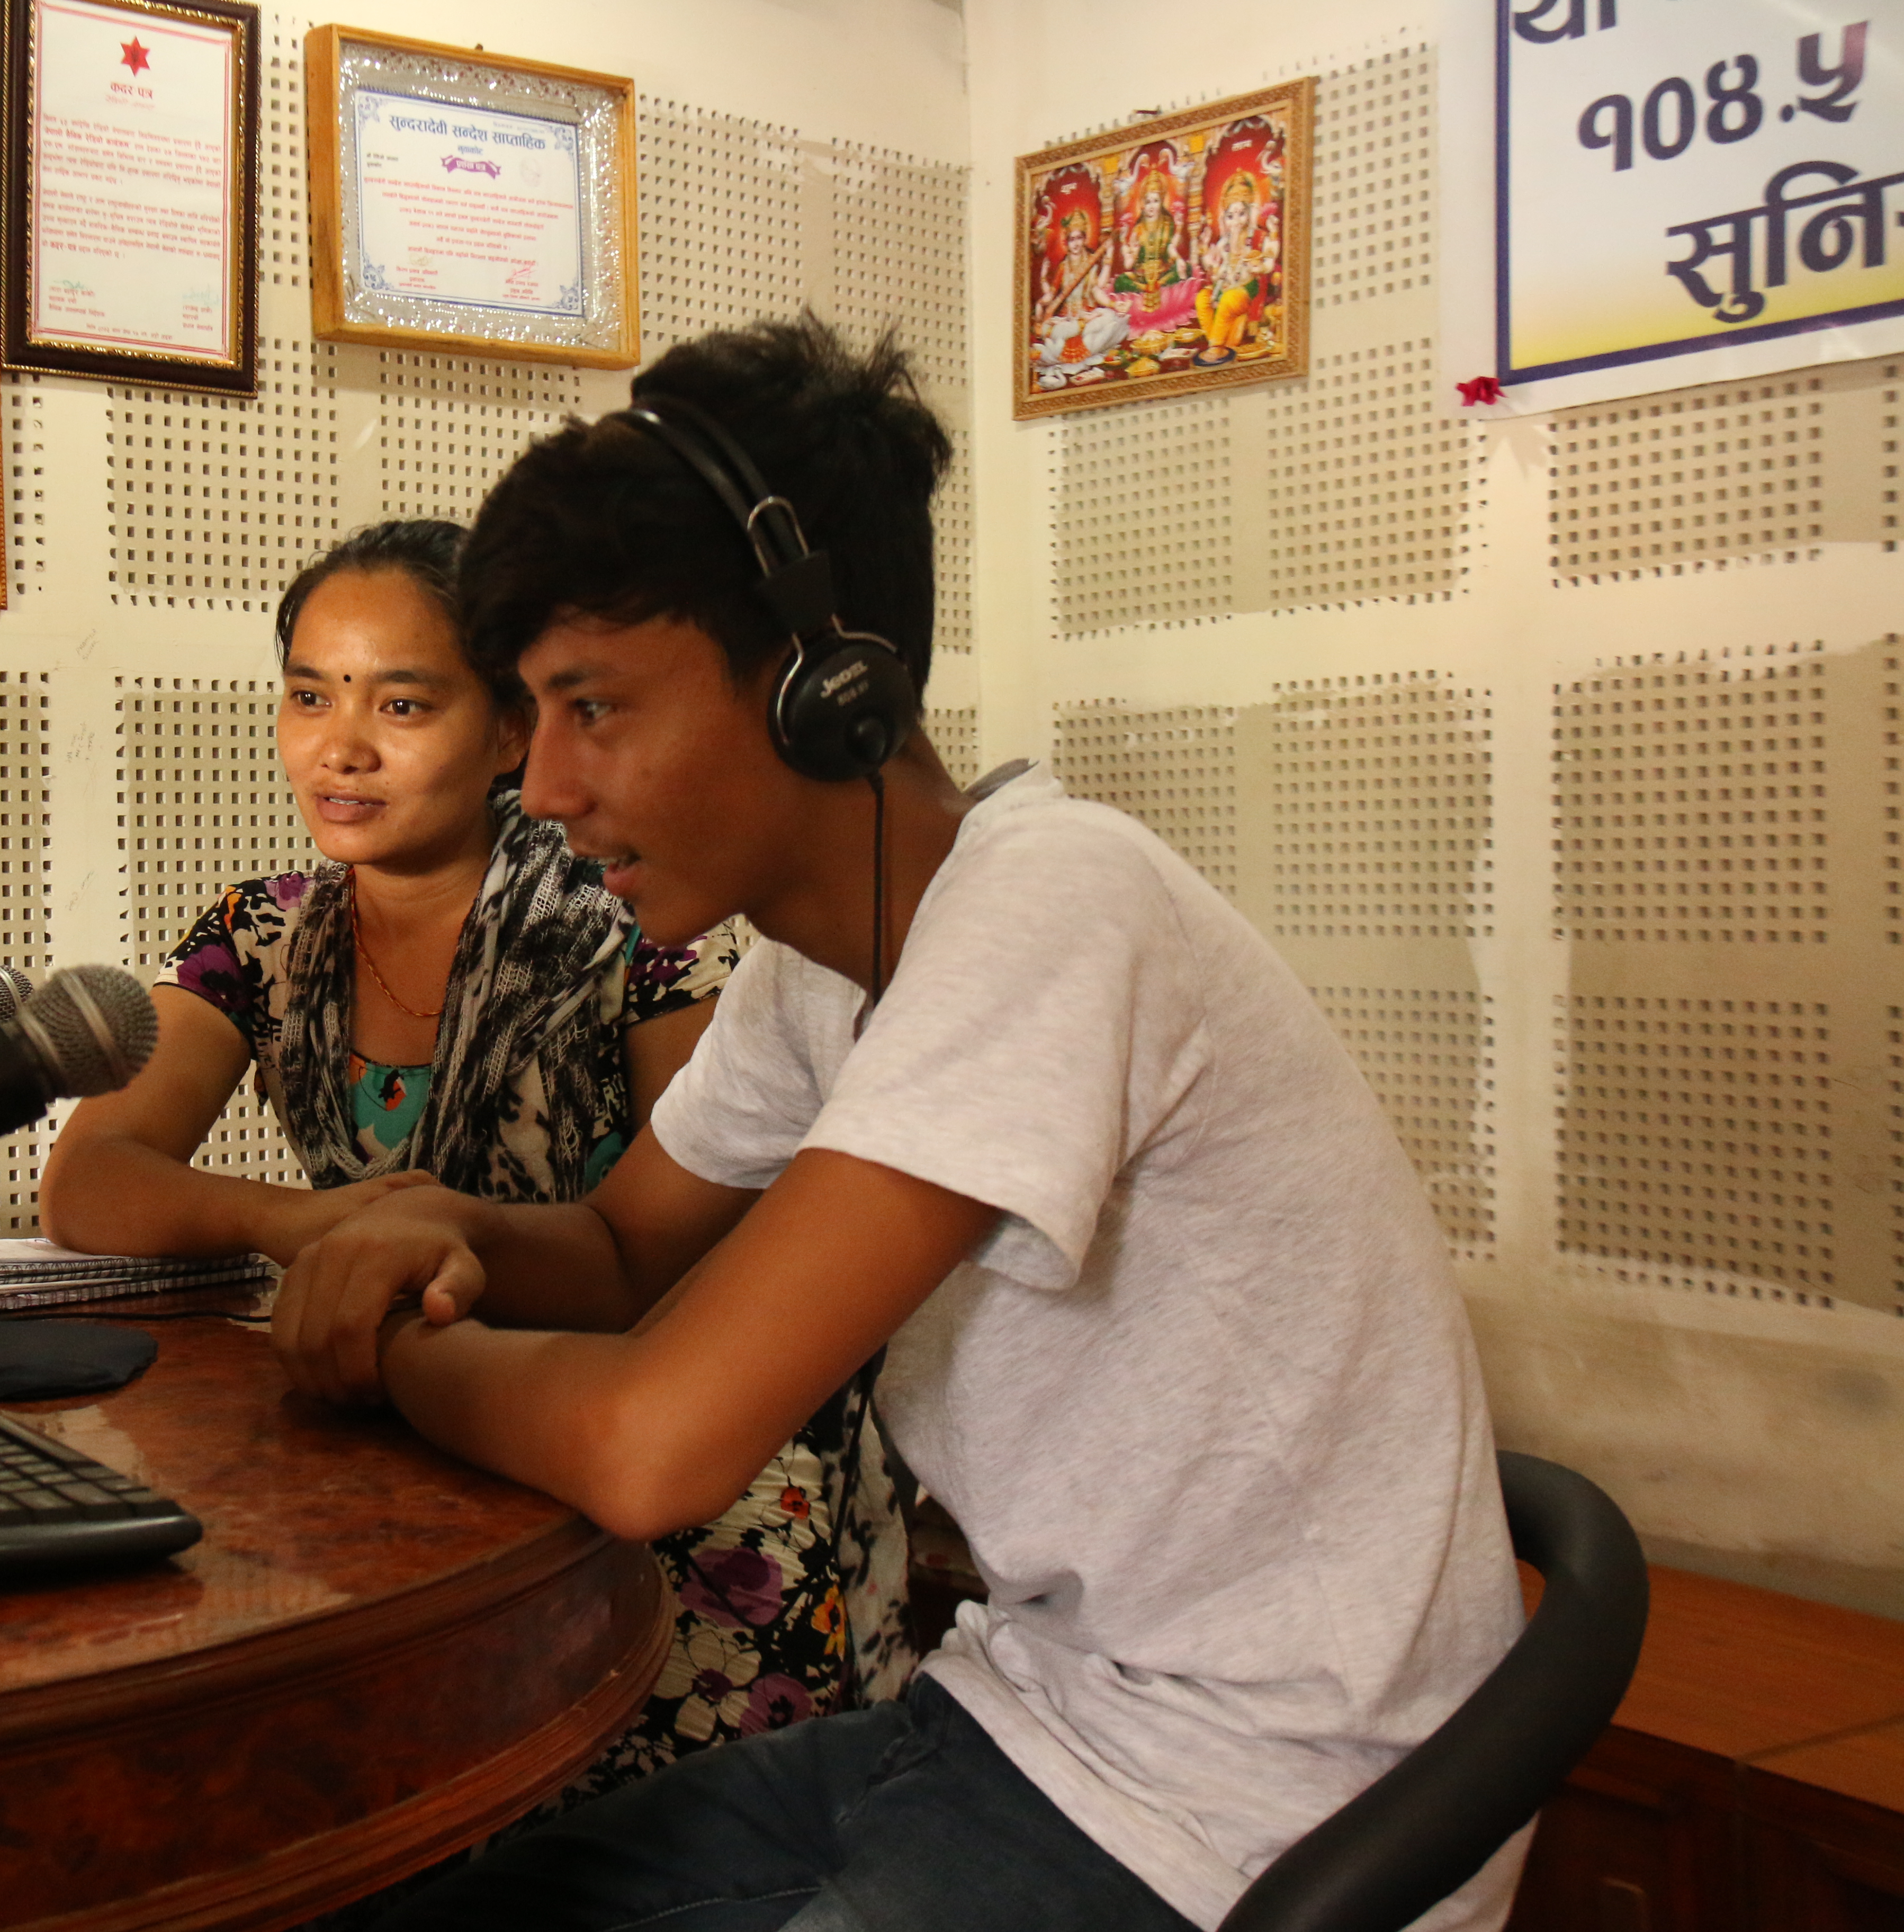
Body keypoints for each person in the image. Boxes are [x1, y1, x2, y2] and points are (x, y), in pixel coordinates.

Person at [264, 320, 1526, 1931]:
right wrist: (430, 1228)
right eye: (535, 714)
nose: (551, 786)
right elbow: (612, 1249)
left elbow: (654, 1446)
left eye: (592, 707)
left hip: (1262, 1798)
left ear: (821, 682)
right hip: (1037, 1722)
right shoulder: (816, 969)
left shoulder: (1057, 903)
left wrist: (398, 1352)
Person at [39, 519, 917, 1799]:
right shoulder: (263, 933)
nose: (340, 748)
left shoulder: (637, 918)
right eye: (308, 696)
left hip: (650, 1432)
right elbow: (94, 1179)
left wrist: (410, 1265)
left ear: (511, 731)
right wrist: (314, 1227)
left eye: (402, 703)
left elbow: (704, 1256)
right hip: (402, 1405)